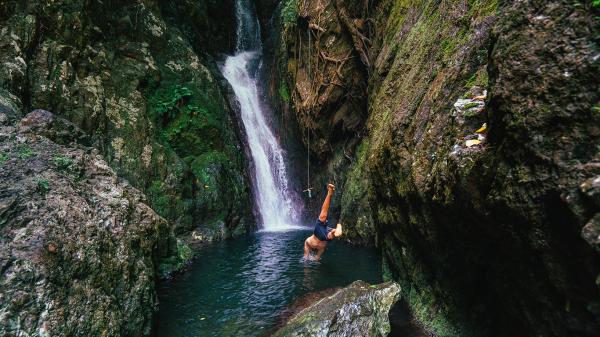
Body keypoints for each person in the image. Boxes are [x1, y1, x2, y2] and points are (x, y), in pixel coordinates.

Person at [304, 183, 343, 260]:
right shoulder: (325, 231)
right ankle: (329, 193)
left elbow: (335, 234)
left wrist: (338, 228)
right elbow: (324, 210)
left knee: (331, 232)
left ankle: (329, 193)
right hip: (313, 240)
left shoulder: (328, 234)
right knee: (323, 214)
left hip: (323, 236)